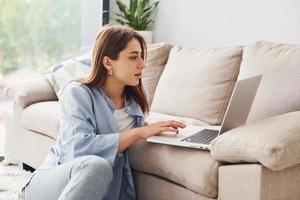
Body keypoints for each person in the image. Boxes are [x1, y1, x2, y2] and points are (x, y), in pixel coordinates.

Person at [22, 25, 186, 200]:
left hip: (99, 188)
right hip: (54, 182)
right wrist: (138, 132)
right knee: (97, 166)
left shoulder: (134, 98)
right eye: (133, 57)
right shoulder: (78, 93)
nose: (142, 64)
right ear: (108, 62)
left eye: (141, 56)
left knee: (100, 168)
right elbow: (77, 147)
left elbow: (119, 127)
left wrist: (158, 129)